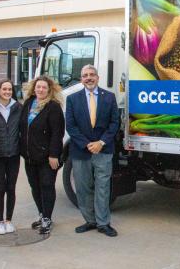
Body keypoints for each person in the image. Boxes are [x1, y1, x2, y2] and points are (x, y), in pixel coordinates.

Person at [65, 65, 119, 237]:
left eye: (91, 75)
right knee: (83, 188)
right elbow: (71, 126)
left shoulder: (109, 97)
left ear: (98, 77)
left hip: (103, 150)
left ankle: (103, 223)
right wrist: (87, 144)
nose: (88, 78)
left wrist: (101, 142)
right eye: (85, 75)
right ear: (81, 79)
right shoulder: (72, 99)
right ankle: (90, 220)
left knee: (102, 187)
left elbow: (114, 123)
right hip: (81, 151)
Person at [19, 75, 64, 235]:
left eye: (44, 87)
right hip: (29, 156)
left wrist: (54, 155)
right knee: (35, 186)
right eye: (38, 87)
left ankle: (47, 218)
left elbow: (57, 133)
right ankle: (41, 214)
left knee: (46, 186)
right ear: (34, 88)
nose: (41, 89)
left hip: (47, 158)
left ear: (49, 90)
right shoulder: (28, 104)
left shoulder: (53, 107)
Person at [0, 79, 22, 235]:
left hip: (14, 155)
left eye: (9, 89)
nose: (7, 92)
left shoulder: (18, 108)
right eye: (4, 89)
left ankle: (9, 220)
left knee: (11, 188)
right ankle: (0, 221)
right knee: (0, 188)